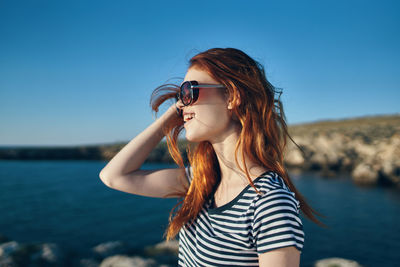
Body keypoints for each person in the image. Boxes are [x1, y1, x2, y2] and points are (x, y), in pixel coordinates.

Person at [99, 48, 325, 266]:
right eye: (180, 96)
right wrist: (171, 117)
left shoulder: (269, 201)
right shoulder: (201, 180)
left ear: (232, 96)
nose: (182, 104)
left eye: (189, 91)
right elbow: (114, 176)